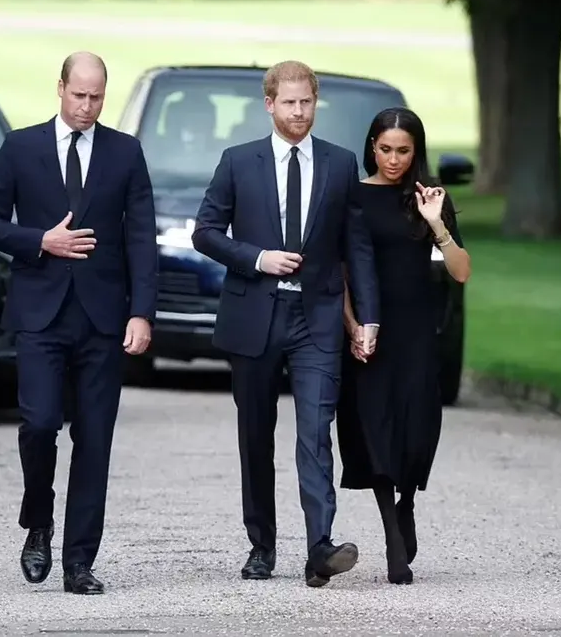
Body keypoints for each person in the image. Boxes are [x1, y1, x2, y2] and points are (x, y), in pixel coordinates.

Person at [0, 51, 158, 595]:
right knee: (39, 423)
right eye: (79, 95)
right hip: (40, 314)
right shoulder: (21, 147)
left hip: (103, 317)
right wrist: (40, 241)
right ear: (60, 88)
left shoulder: (125, 152)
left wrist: (142, 312)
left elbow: (141, 236)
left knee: (95, 439)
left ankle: (79, 561)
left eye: (97, 97)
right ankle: (39, 519)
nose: (87, 106)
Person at [191, 60, 381, 587]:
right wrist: (257, 258)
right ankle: (262, 545)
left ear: (316, 103)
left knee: (316, 431)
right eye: (289, 102)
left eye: (307, 102)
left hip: (317, 317)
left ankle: (320, 547)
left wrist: (367, 317)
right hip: (255, 313)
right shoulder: (238, 161)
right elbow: (205, 232)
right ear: (269, 104)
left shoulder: (340, 164)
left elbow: (357, 248)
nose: (299, 112)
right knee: (256, 435)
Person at [336, 107, 471, 585]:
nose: (393, 160)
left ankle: (407, 500)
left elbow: (461, 271)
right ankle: (393, 535)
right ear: (372, 146)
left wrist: (437, 223)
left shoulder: (430, 197)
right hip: (370, 328)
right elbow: (341, 271)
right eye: (385, 149)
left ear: (417, 151)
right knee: (374, 426)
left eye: (404, 151)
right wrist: (352, 325)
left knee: (416, 426)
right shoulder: (352, 195)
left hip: (416, 330)